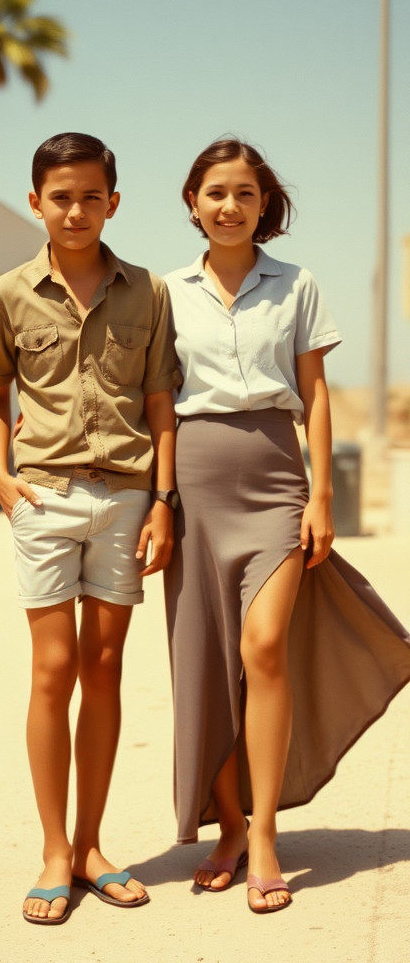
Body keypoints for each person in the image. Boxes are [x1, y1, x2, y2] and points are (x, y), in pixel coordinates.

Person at [163, 138, 410, 914]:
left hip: (274, 477)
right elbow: (156, 406)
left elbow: (317, 393)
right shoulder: (163, 293)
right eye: (215, 192)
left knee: (264, 646)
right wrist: (158, 501)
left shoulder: (297, 285)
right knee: (207, 668)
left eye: (244, 192)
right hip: (195, 483)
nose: (229, 205)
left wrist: (323, 496)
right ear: (192, 203)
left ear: (264, 203)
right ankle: (227, 827)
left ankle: (264, 832)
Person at [0, 132, 181, 925]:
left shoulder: (148, 292)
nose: (76, 209)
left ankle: (93, 846)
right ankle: (54, 850)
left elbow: (161, 405)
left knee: (104, 669)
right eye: (61, 196)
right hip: (44, 498)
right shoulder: (6, 295)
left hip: (126, 499)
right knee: (52, 669)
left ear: (114, 203)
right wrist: (1, 477)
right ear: (36, 202)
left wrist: (163, 500)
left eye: (92, 195)